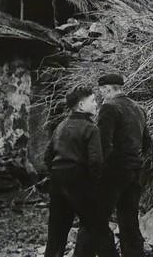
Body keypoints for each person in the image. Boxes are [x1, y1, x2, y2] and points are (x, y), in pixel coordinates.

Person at [74, 73, 151, 257]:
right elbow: (147, 142)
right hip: (134, 171)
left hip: (113, 173)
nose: (101, 95)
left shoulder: (109, 107)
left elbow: (102, 144)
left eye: (101, 91)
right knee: (129, 221)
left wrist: (96, 173)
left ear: (107, 89)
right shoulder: (138, 108)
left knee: (94, 217)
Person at [44, 86, 118, 257]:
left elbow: (48, 156)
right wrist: (94, 185)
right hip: (79, 181)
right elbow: (96, 161)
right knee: (99, 228)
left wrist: (58, 172)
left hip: (57, 180)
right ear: (80, 106)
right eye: (92, 101)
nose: (96, 104)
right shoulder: (91, 128)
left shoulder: (61, 126)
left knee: (57, 232)